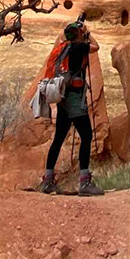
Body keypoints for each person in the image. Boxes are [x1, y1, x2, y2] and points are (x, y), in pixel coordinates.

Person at [40, 21, 105, 196]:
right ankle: (84, 183)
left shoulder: (60, 48)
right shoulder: (78, 47)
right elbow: (96, 47)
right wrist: (87, 32)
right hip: (74, 97)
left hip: (62, 97)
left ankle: (48, 180)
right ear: (77, 34)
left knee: (59, 138)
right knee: (86, 135)